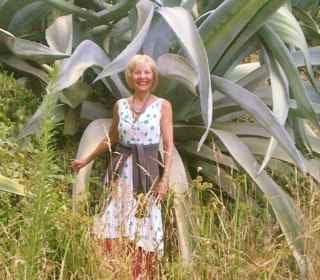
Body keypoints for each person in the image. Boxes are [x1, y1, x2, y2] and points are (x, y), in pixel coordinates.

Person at [71, 54, 173, 279]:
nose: (142, 77)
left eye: (147, 72)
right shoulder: (121, 106)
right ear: (130, 76)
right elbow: (111, 138)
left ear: (153, 76)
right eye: (138, 72)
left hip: (148, 173)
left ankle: (141, 275)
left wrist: (164, 181)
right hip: (120, 173)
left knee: (145, 221)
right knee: (112, 219)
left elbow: (168, 146)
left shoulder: (163, 106)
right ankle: (115, 272)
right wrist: (85, 160)